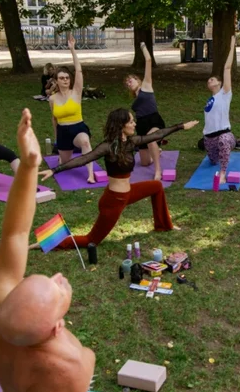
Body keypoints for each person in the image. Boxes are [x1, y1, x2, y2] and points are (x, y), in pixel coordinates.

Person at [0, 109, 94, 392]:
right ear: (56, 328)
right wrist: (86, 359)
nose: (60, 277)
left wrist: (30, 166)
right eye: (58, 290)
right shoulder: (69, 370)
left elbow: (15, 234)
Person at [39, 109, 198, 250]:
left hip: (127, 193)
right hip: (114, 200)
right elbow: (84, 158)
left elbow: (156, 135)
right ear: (122, 125)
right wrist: (55, 170)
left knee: (156, 186)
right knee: (91, 240)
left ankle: (163, 225)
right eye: (131, 121)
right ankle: (47, 242)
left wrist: (182, 126)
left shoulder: (131, 142)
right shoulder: (107, 147)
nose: (134, 124)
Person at [48, 34, 95, 185]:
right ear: (56, 81)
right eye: (62, 78)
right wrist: (56, 138)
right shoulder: (52, 99)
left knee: (85, 142)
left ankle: (90, 174)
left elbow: (79, 71)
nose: (65, 80)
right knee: (65, 164)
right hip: (63, 131)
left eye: (67, 77)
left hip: (78, 127)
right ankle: (62, 156)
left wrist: (72, 50)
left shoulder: (76, 92)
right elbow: (54, 119)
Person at [124, 42, 166, 181]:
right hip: (141, 125)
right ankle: (157, 151)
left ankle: (158, 171)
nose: (130, 82)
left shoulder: (146, 86)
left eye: (132, 79)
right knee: (144, 162)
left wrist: (142, 46)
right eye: (128, 82)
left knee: (151, 138)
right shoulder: (134, 99)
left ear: (139, 80)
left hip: (154, 120)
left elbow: (148, 60)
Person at [202, 36, 237, 186]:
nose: (209, 81)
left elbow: (227, 68)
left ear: (220, 83)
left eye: (212, 79)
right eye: (208, 80)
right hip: (209, 139)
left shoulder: (224, 94)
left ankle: (223, 174)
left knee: (223, 141)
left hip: (224, 135)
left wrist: (232, 47)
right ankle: (221, 154)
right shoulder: (210, 100)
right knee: (212, 160)